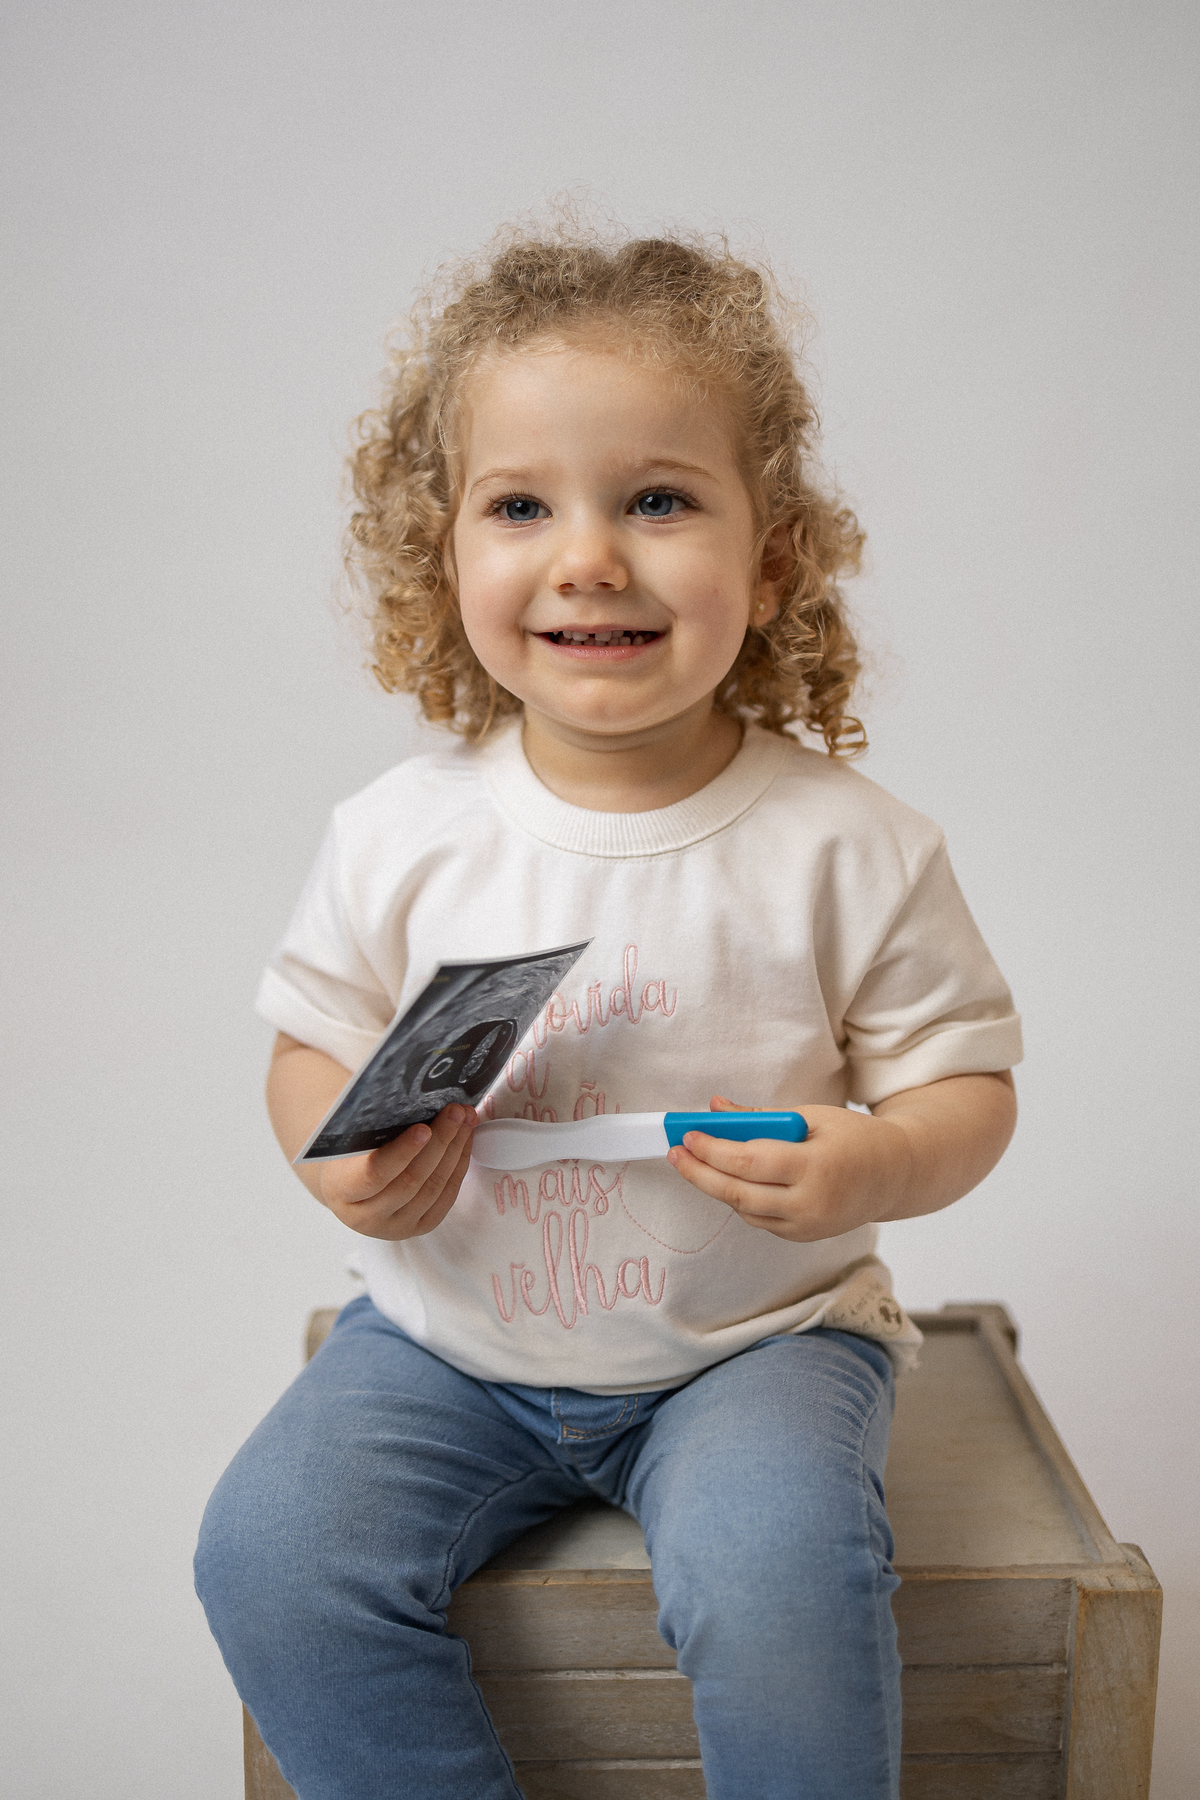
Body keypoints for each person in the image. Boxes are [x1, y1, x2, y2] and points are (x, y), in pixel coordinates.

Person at [195, 226, 1021, 1800]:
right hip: (447, 1346)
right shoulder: (401, 833)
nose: (588, 557)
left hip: (752, 1347)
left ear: (770, 558)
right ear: (445, 555)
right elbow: (309, 1044)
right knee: (270, 1557)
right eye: (521, 506)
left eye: (657, 499)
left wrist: (874, 1160)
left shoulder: (851, 845)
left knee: (779, 1582)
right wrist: (337, 1158)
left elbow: (965, 1088)